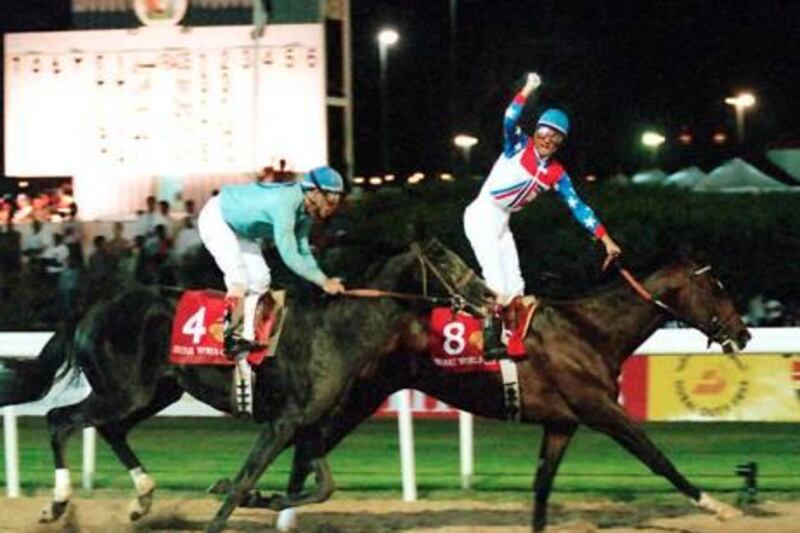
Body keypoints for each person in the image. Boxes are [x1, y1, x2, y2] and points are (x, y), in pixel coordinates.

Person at [463, 72, 622, 358]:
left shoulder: (557, 174)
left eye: (556, 136)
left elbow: (578, 207)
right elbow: (509, 118)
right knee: (497, 283)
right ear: (536, 131)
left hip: (502, 223)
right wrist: (527, 88)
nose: (548, 139)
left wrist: (605, 238)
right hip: (481, 215)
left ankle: (513, 342)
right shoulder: (517, 144)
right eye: (545, 132)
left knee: (517, 288)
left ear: (561, 141)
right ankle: (488, 339)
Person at [198, 166, 347, 356]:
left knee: (261, 279)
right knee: (239, 277)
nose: (332, 207)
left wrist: (325, 279)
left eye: (337, 201)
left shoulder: (307, 211)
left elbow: (303, 250)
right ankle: (229, 336)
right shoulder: (285, 204)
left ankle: (246, 336)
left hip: (238, 228)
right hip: (216, 218)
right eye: (330, 200)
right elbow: (290, 254)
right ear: (314, 192)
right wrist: (323, 282)